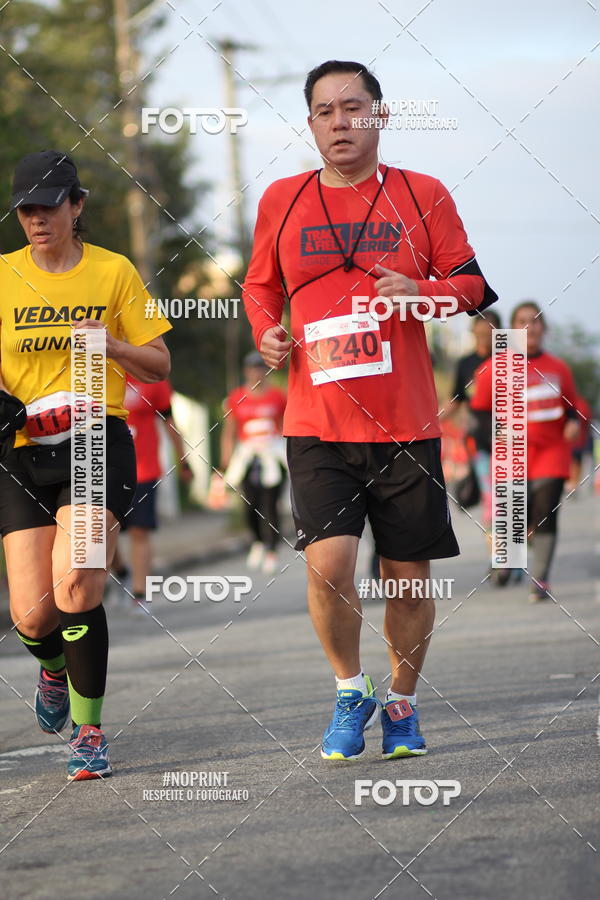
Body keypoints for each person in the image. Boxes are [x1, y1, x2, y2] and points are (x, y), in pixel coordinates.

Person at [242, 60, 497, 760]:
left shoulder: (423, 195)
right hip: (315, 422)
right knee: (327, 567)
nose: (339, 121)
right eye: (324, 110)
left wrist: (420, 291)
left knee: (407, 578)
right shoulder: (283, 200)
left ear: (380, 116)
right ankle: (351, 689)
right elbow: (260, 287)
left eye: (352, 107)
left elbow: (474, 288)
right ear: (311, 124)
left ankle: (404, 704)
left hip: (405, 423)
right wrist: (265, 330)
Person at [0, 150, 171, 779]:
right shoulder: (2, 275)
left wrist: (113, 344)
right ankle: (50, 666)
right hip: (20, 452)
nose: (37, 219)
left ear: (77, 205)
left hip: (94, 439)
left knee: (78, 584)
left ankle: (90, 728)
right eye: (26, 210)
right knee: (31, 614)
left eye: (49, 206)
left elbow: (159, 365)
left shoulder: (114, 271)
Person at [470, 300, 579, 602]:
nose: (530, 326)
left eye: (536, 320)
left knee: (546, 512)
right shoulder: (493, 368)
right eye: (522, 321)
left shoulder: (559, 368)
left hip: (551, 451)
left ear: (544, 328)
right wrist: (496, 435)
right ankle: (507, 560)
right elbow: (479, 411)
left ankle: (540, 578)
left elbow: (573, 406)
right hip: (511, 455)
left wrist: (572, 423)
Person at [111, 375, 192, 610]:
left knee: (140, 531)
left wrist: (183, 460)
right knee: (104, 532)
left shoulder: (151, 376)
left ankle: (139, 594)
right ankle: (121, 572)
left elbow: (170, 421)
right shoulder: (97, 370)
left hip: (144, 469)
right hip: (106, 469)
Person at [441, 309, 508, 581]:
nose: (483, 339)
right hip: (480, 444)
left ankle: (516, 553)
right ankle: (499, 561)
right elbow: (456, 401)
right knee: (493, 503)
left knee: (516, 501)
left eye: (489, 333)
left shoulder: (511, 360)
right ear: (472, 334)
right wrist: (429, 422)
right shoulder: (466, 363)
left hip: (516, 443)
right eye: (478, 333)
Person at [219, 351, 287, 574]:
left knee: (271, 503)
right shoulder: (236, 397)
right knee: (250, 503)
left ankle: (272, 549)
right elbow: (229, 432)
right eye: (252, 368)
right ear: (246, 371)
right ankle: (257, 540)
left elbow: (286, 426)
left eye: (260, 367)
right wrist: (225, 461)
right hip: (248, 456)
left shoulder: (277, 397)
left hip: (272, 454)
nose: (256, 372)